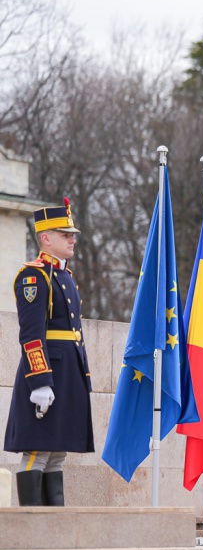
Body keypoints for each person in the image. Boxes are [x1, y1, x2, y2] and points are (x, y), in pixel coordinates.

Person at [4, 199, 93, 507]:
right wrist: (41, 380)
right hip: (46, 375)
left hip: (68, 372)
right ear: (45, 238)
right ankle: (32, 527)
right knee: (37, 450)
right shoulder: (34, 276)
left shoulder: (65, 277)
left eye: (72, 233)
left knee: (57, 452)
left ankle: (55, 527)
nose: (72, 239)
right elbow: (31, 335)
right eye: (64, 233)